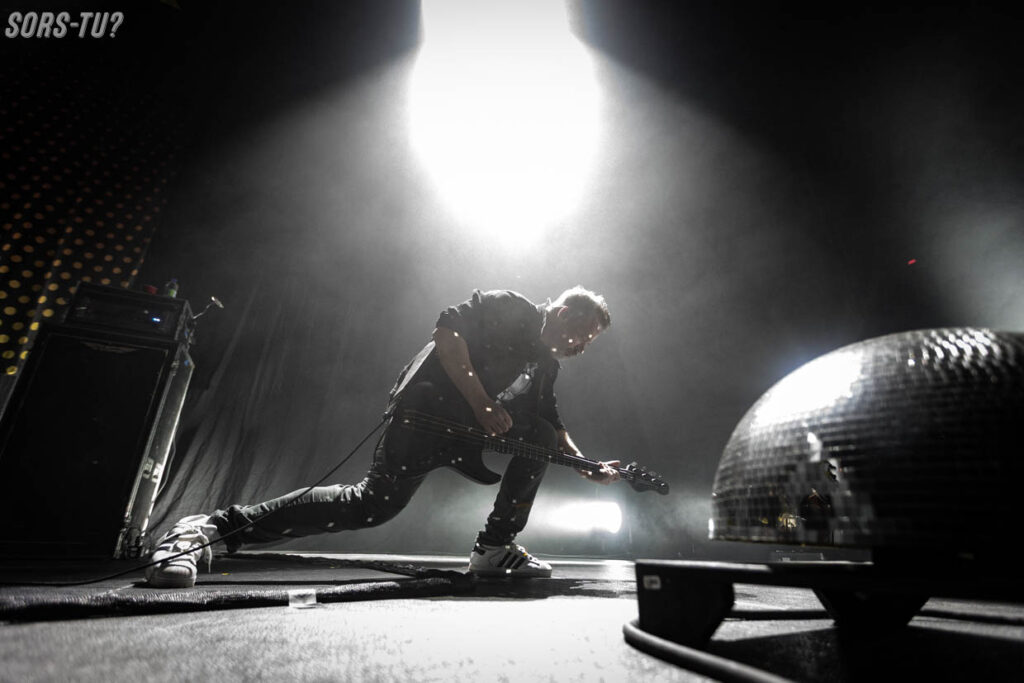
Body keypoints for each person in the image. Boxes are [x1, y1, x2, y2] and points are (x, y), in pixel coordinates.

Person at [146, 287, 619, 588]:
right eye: (583, 334)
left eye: (589, 342)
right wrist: (481, 402)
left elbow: (552, 423)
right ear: (562, 312)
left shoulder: (546, 366)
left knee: (539, 433)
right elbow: (447, 333)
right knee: (369, 506)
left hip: (464, 430)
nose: (582, 347)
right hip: (426, 414)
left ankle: (494, 548)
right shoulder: (511, 306)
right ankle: (205, 529)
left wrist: (587, 464)